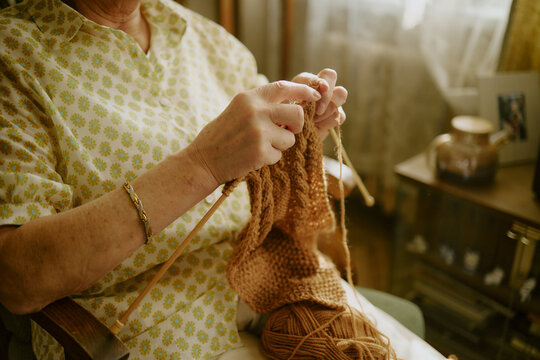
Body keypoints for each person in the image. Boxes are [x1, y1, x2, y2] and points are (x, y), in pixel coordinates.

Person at [0, 0, 349, 358]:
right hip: (154, 329)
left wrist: (296, 130)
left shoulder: (204, 37)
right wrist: (201, 165)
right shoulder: (12, 54)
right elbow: (17, 278)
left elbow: (263, 154)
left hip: (270, 274)